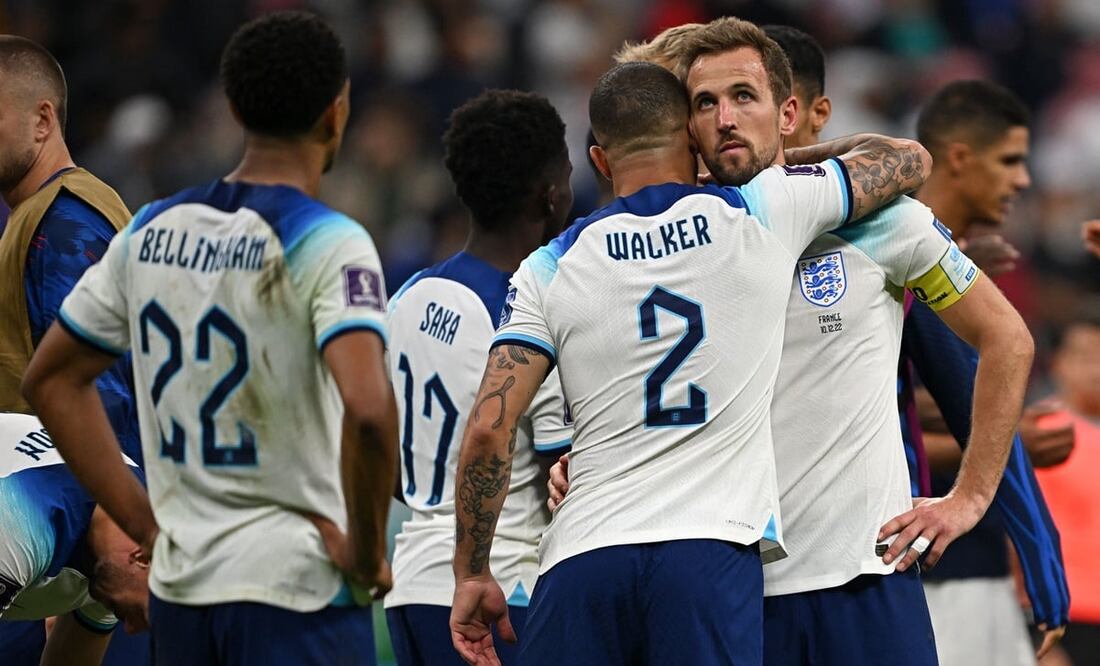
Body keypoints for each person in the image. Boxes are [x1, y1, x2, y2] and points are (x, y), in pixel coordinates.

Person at [549, 20, 1035, 666]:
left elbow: (1007, 339)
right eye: (704, 103)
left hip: (866, 575)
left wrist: (969, 497)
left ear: (788, 113)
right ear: (686, 127)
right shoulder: (670, 249)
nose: (725, 119)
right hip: (736, 589)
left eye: (743, 97)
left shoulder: (883, 220)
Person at [452, 29, 931, 662]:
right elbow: (905, 158)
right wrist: (787, 156)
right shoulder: (761, 210)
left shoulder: (547, 266)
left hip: (582, 559)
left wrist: (472, 572)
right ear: (691, 138)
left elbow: (489, 429)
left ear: (600, 161)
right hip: (708, 552)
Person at [21, 11, 397, 665]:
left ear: (235, 109)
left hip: (184, 589)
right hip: (296, 587)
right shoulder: (330, 239)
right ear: (337, 112)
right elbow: (368, 408)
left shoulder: (151, 228)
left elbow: (51, 380)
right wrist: (366, 551)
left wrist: (142, 522)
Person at [763, 27, 1069, 659]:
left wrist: (1033, 545)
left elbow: (972, 374)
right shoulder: (717, 236)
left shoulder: (885, 235)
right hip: (752, 566)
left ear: (812, 114)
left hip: (878, 555)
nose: (1022, 180)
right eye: (1008, 161)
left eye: (762, 104)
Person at [384, 89, 573, 665]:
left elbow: (387, 458)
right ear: (550, 193)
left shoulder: (407, 296)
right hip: (500, 594)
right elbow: (561, 475)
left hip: (411, 584)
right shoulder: (529, 313)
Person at [909, 79, 1067, 665]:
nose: (1022, 180)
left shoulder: (964, 271)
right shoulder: (883, 259)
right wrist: (1005, 440)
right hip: (928, 568)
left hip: (981, 562)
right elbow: (887, 415)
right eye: (1009, 160)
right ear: (958, 157)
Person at [0, 34, 144, 664]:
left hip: (70, 528)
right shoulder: (45, 215)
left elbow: (96, 392)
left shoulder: (63, 222)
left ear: (43, 119)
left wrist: (97, 537)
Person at [0, 412, 149, 666]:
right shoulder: (24, 523)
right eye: (143, 612)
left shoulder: (118, 563)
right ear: (144, 558)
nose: (131, 629)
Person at [1034, 311, 1100, 666]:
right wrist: (1032, 630)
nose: (1096, 369)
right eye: (1086, 356)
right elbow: (1014, 535)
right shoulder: (1038, 435)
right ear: (1058, 363)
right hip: (1064, 619)